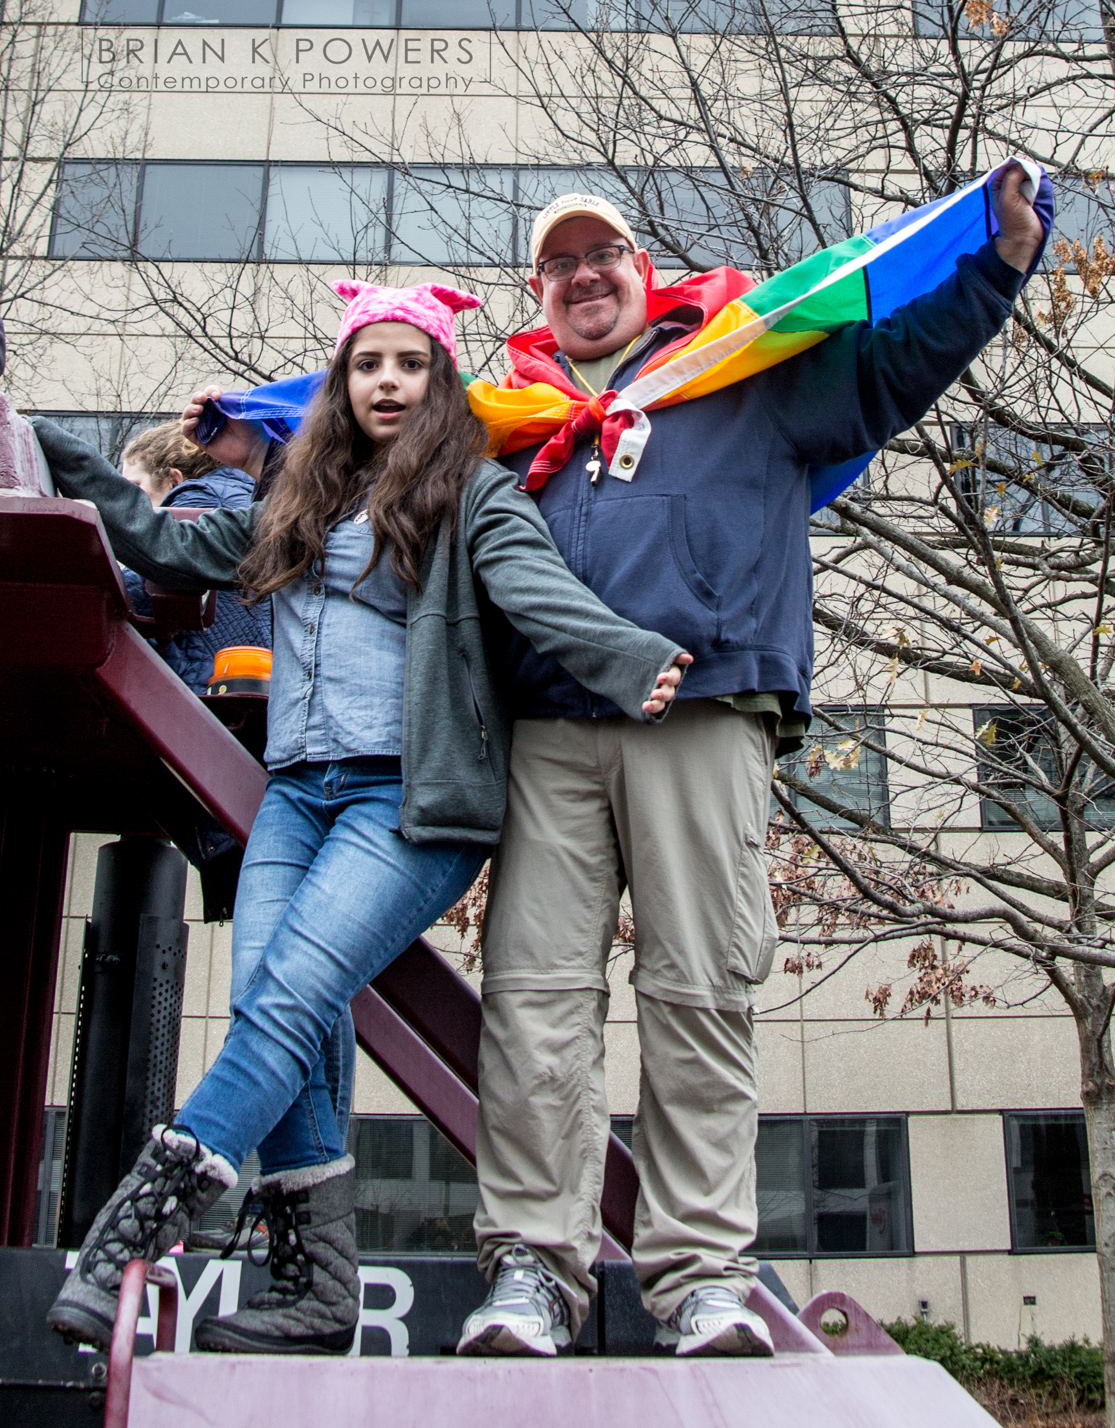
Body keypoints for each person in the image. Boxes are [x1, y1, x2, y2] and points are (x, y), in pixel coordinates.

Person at [452, 166, 1047, 1358]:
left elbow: (890, 368)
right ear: (536, 292)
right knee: (532, 1008)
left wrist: (994, 267)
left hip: (706, 705)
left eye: (602, 256)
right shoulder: (498, 419)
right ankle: (532, 1270)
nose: (585, 278)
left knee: (699, 995)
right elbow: (359, 446)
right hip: (547, 731)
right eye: (560, 265)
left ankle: (699, 1277)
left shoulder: (742, 371)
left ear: (640, 269)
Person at [36, 280, 688, 1357]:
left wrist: (623, 658)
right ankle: (316, 1289)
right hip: (294, 791)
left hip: (408, 798)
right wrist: (58, 450)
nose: (388, 381)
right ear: (342, 384)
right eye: (368, 364)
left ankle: (136, 1233)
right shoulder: (295, 505)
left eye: (410, 363)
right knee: (268, 1003)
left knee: (291, 997)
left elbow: (532, 591)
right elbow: (160, 542)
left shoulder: (469, 495)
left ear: (438, 383)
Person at [119, 422, 272, 694]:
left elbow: (153, 568)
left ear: (174, 479)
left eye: (135, 488)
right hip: (259, 670)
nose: (132, 502)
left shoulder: (195, 500)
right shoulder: (250, 497)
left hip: (208, 676)